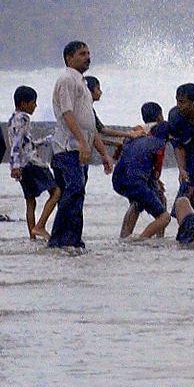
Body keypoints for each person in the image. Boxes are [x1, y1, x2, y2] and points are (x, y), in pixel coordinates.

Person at [47, 41, 113, 250]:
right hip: (67, 148)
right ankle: (59, 240)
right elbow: (67, 113)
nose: (87, 57)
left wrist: (103, 154)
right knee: (74, 189)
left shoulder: (82, 83)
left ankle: (73, 240)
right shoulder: (67, 79)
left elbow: (89, 124)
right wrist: (84, 143)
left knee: (77, 193)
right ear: (69, 58)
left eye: (89, 53)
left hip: (79, 148)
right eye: (82, 54)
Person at [7, 85, 59, 239]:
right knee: (56, 192)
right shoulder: (24, 118)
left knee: (30, 201)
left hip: (22, 166)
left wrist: (45, 141)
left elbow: (23, 143)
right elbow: (17, 143)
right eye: (33, 102)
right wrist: (14, 165)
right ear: (23, 104)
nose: (35, 105)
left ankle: (32, 236)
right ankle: (40, 226)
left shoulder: (12, 119)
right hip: (31, 163)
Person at [114, 110, 171, 239]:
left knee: (137, 201)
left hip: (118, 180)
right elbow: (156, 173)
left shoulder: (136, 136)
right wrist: (156, 181)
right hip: (136, 181)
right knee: (164, 215)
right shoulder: (159, 144)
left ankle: (124, 237)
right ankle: (143, 240)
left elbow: (119, 155)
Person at [84, 76, 146, 156]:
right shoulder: (86, 110)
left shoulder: (88, 108)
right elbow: (103, 130)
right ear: (89, 91)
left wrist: (115, 143)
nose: (101, 92)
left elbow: (94, 138)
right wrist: (129, 135)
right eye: (98, 89)